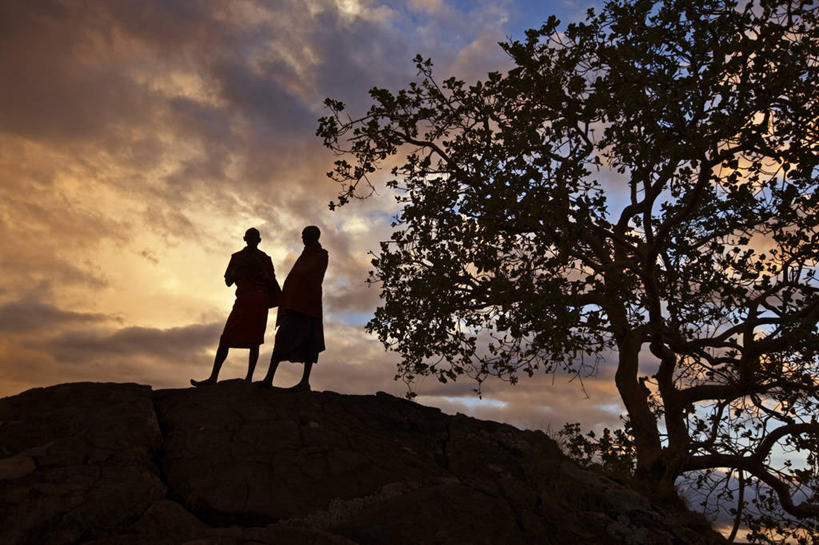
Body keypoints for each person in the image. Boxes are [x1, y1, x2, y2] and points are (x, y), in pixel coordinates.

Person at [191, 228, 279, 386]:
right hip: (243, 299)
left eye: (255, 238)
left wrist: (260, 270)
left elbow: (271, 281)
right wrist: (238, 269)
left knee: (255, 340)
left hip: (259, 300)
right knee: (226, 338)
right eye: (249, 237)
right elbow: (228, 281)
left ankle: (249, 378)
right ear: (245, 239)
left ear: (259, 240)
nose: (252, 240)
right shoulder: (237, 257)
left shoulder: (265, 258)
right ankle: (213, 377)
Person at [258, 225, 328, 391]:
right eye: (302, 235)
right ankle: (269, 378)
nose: (302, 238)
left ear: (314, 236)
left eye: (305, 235)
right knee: (281, 338)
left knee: (310, 342)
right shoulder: (304, 254)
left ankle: (305, 382)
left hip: (309, 305)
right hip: (294, 304)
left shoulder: (321, 255)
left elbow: (311, 275)